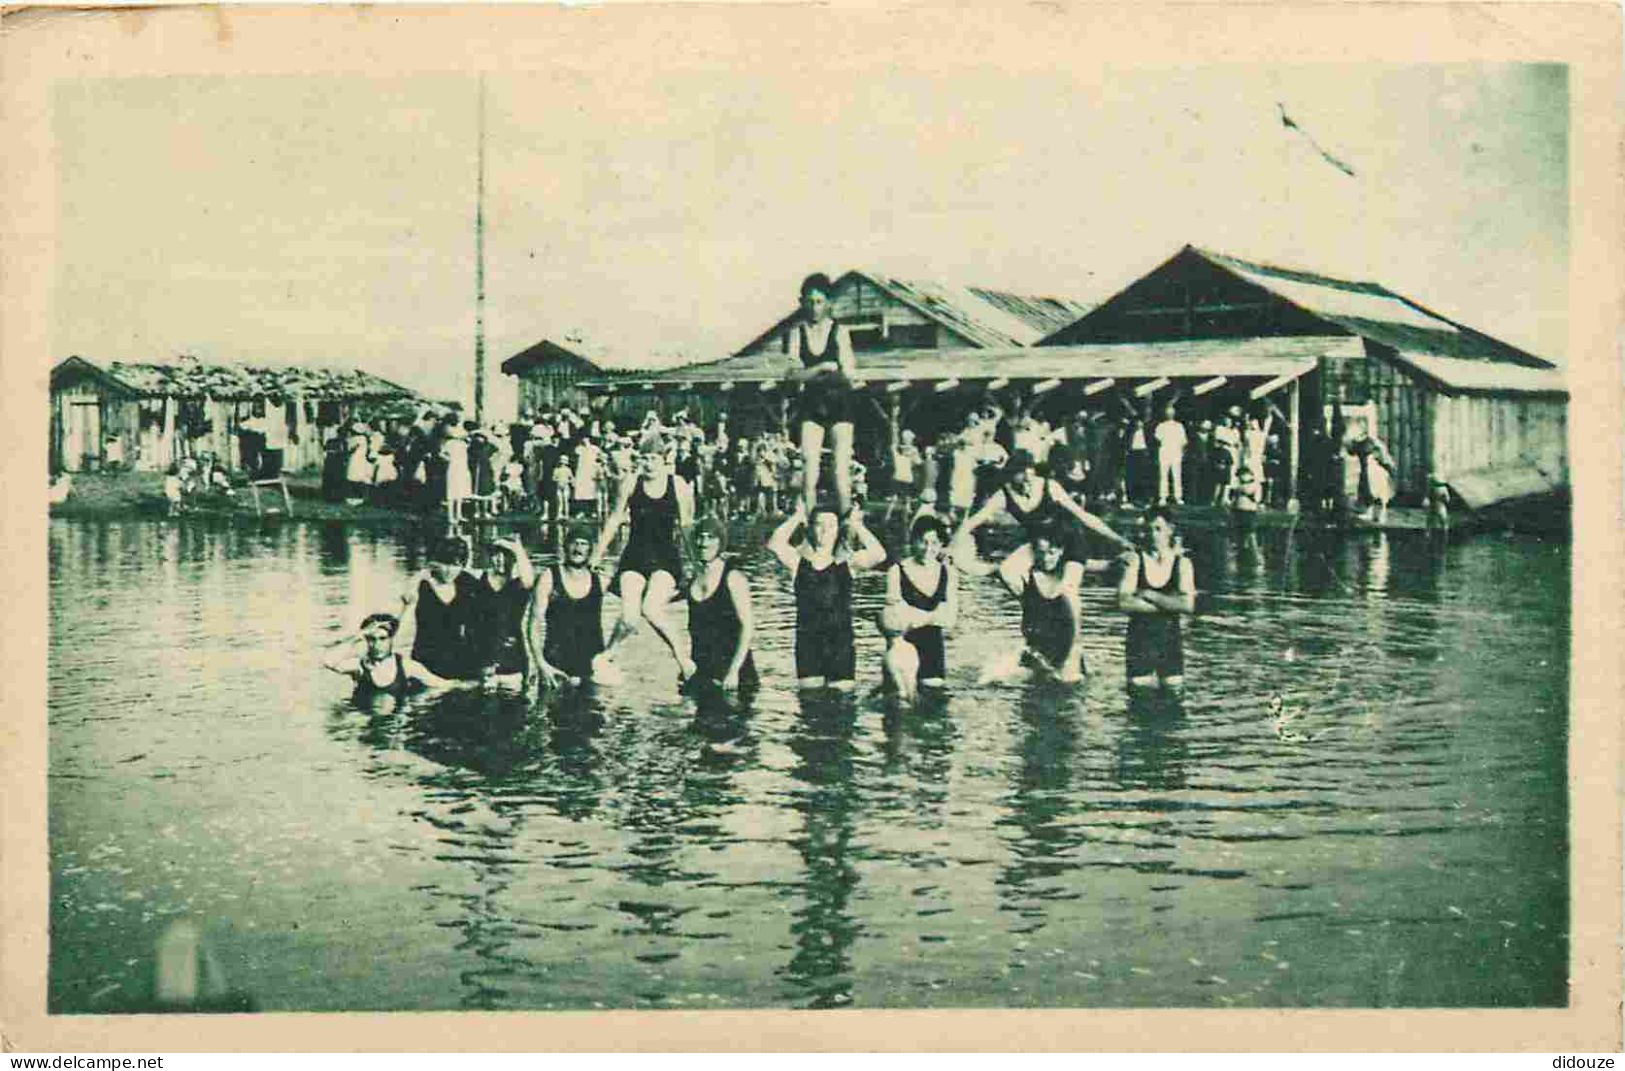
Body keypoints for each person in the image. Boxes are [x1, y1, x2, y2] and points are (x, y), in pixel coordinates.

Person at [951, 449, 1135, 597]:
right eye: (1020, 476)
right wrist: (951, 546)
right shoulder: (1003, 495)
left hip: (1068, 541)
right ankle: (1033, 605)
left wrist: (1119, 540)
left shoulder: (1050, 486)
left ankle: (1106, 566)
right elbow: (972, 522)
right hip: (1038, 545)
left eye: (1029, 474)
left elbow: (1083, 516)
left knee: (1066, 588)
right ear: (1009, 476)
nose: (1026, 480)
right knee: (1007, 573)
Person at [593, 434, 695, 679]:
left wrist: (697, 564)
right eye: (644, 459)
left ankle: (683, 659)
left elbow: (687, 526)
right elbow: (615, 518)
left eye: (653, 459)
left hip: (666, 559)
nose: (648, 464)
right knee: (629, 616)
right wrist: (597, 554)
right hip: (634, 557)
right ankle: (609, 654)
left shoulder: (678, 485)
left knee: (651, 609)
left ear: (663, 460)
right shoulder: (630, 483)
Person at [768, 500, 886, 691]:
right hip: (808, 642)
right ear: (810, 528)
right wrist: (797, 518)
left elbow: (879, 555)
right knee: (810, 702)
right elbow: (774, 544)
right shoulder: (798, 562)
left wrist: (857, 524)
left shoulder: (848, 562)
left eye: (830, 526)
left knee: (842, 703)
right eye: (819, 525)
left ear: (838, 529)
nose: (824, 531)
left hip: (840, 643)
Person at [785, 273, 858, 516]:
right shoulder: (797, 332)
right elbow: (792, 375)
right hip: (812, 404)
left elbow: (848, 373)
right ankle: (809, 525)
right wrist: (822, 368)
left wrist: (811, 373)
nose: (814, 307)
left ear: (828, 303)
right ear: (802, 302)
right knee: (809, 467)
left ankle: (846, 528)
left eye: (819, 301)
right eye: (810, 301)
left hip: (840, 402)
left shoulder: (840, 331)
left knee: (840, 470)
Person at [1118, 506, 1196, 694]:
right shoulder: (1135, 560)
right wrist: (1170, 605)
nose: (1152, 535)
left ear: (1170, 529)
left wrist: (1149, 595)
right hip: (1139, 639)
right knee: (1138, 697)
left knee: (1174, 697)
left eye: (1158, 529)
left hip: (1169, 639)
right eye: (1148, 530)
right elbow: (1123, 602)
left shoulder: (1182, 564)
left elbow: (1188, 605)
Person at [880, 513, 958, 699]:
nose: (927, 548)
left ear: (940, 545)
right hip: (901, 648)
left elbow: (950, 619)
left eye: (934, 543)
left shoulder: (949, 572)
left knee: (934, 703)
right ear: (913, 541)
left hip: (933, 648)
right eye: (922, 542)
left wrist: (913, 616)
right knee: (900, 703)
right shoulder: (897, 571)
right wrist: (934, 616)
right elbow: (896, 619)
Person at [526, 522, 606, 690]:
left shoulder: (601, 580)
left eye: (583, 544)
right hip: (556, 664)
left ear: (590, 549)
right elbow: (533, 623)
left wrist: (611, 653)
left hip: (591, 667)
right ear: (565, 546)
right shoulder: (549, 577)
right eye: (574, 542)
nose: (578, 548)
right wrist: (540, 664)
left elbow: (631, 610)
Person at [685, 517, 759, 695]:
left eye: (711, 537)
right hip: (702, 672)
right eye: (700, 537)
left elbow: (748, 628)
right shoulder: (693, 579)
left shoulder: (733, 578)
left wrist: (734, 672)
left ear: (720, 542)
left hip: (733, 675)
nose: (704, 543)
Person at [395, 534, 482, 682]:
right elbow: (402, 625)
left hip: (462, 660)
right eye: (445, 564)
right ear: (435, 563)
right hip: (427, 661)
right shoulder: (420, 586)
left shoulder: (468, 583)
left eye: (456, 565)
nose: (449, 571)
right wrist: (418, 577)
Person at [323, 612, 465, 698]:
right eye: (371, 639)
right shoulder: (358, 667)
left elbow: (442, 684)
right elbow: (328, 661)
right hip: (366, 724)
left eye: (382, 639)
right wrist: (358, 636)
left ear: (391, 639)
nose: (376, 645)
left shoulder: (407, 666)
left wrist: (477, 685)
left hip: (393, 728)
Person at [1014, 524, 1086, 682]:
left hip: (1065, 651)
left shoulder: (1068, 583)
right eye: (1041, 553)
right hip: (1037, 651)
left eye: (1051, 553)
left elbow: (1074, 632)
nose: (1046, 558)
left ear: (1061, 551)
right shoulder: (1027, 578)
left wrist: (1068, 662)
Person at [467, 537, 535, 688]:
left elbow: (529, 579)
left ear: (514, 560)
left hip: (512, 658)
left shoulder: (518, 586)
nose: (500, 560)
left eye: (506, 556)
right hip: (482, 658)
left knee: (513, 703)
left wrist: (518, 549)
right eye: (496, 555)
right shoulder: (478, 582)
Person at [1153, 402, 1188, 505]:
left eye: (1171, 413)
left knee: (1176, 475)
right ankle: (1163, 497)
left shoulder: (1179, 426)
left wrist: (1181, 451)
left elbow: (1183, 441)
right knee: (1163, 475)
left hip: (1175, 452)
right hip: (1164, 452)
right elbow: (1157, 439)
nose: (1169, 415)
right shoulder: (1161, 426)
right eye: (1167, 413)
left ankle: (1178, 497)